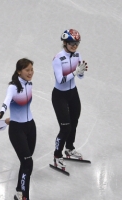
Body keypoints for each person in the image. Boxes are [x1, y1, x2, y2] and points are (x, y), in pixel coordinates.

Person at [0, 58, 36, 200]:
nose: (30, 72)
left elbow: (22, 107)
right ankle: (24, 196)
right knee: (28, 162)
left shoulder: (29, 84)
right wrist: (1, 113)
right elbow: (6, 101)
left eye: (31, 69)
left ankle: (19, 190)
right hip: (17, 130)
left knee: (26, 162)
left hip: (31, 127)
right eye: (27, 70)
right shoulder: (13, 87)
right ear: (19, 71)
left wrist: (14, 116)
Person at [51, 29, 88, 170]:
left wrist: (81, 72)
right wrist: (75, 72)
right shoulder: (58, 59)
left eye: (77, 43)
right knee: (65, 127)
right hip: (59, 96)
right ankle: (57, 155)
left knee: (74, 122)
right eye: (72, 43)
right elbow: (60, 80)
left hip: (73, 93)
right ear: (65, 43)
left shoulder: (77, 55)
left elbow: (80, 77)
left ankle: (69, 148)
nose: (74, 46)